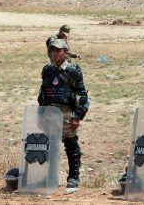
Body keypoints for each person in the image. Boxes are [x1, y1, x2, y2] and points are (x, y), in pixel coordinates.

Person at [37, 37, 89, 192]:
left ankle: (73, 177)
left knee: (71, 145)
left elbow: (82, 95)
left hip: (66, 112)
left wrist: (77, 116)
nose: (54, 53)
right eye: (52, 50)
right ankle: (49, 176)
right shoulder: (47, 70)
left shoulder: (73, 71)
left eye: (58, 50)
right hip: (50, 111)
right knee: (49, 145)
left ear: (65, 52)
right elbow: (43, 92)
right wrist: (41, 114)